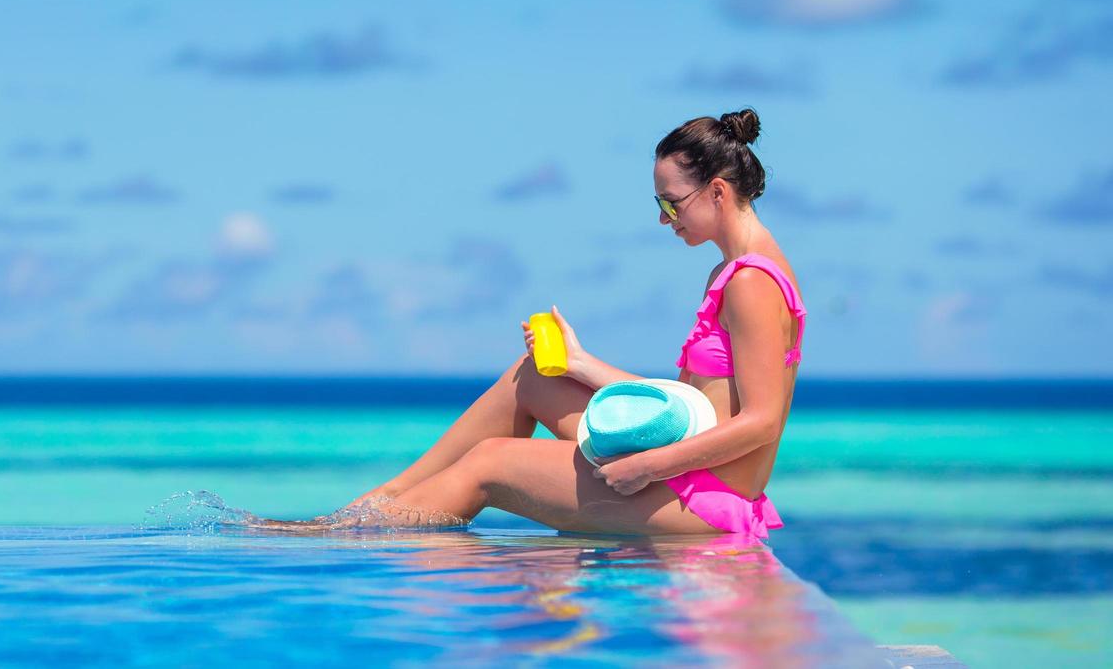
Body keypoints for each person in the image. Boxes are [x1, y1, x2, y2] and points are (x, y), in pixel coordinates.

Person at [255, 107, 805, 537]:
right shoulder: (729, 271)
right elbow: (692, 409)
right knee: (538, 374)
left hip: (703, 501)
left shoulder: (751, 283)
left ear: (716, 191)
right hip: (686, 473)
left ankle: (357, 538)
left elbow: (762, 422)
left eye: (671, 204)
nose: (663, 219)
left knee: (492, 463)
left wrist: (648, 468)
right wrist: (582, 364)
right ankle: (380, 503)